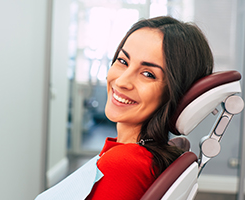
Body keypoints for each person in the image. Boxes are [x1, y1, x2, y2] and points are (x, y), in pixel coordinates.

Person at [35, 16, 213, 200]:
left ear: (176, 92)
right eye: (123, 61)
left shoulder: (123, 164)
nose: (121, 82)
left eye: (147, 74)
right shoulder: (134, 155)